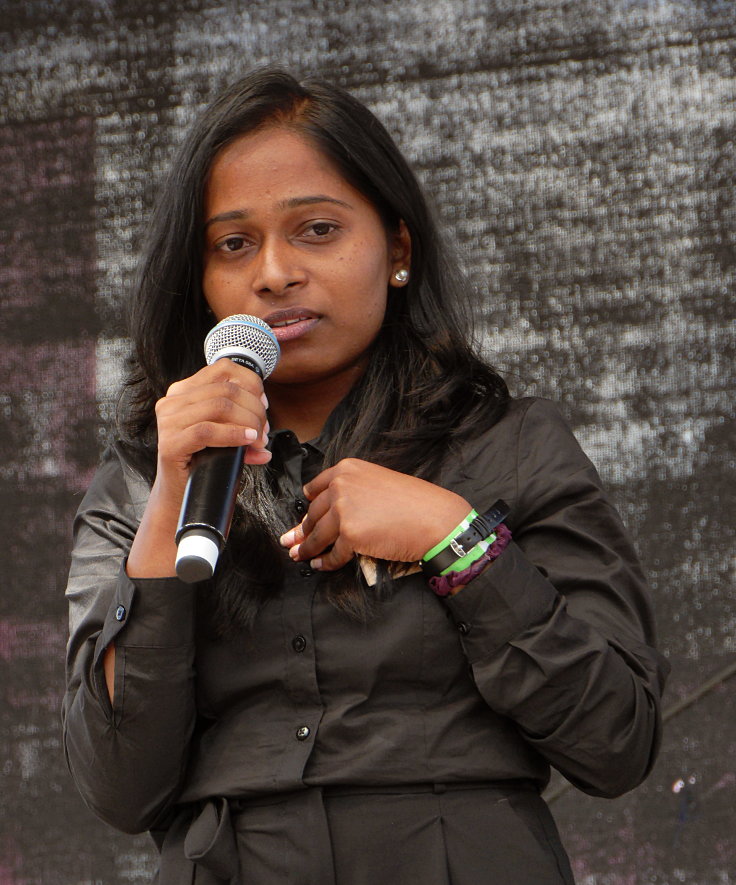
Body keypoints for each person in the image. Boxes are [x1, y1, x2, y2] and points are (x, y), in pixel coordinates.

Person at [62, 68, 668, 885]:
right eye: (233, 243)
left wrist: (458, 541)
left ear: (397, 250)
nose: (273, 273)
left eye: (315, 229)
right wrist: (174, 498)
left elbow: (616, 739)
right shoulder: (143, 481)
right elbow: (120, 786)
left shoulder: (510, 445)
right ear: (200, 282)